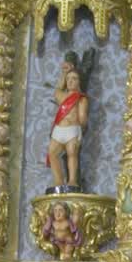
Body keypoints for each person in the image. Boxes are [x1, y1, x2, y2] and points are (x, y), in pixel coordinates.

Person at [47, 61, 89, 190]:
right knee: (52, 153)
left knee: (72, 154)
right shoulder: (61, 95)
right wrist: (64, 73)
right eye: (69, 79)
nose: (70, 81)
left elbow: (82, 118)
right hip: (59, 130)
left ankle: (72, 180)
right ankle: (58, 180)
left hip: (72, 130)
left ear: (79, 82)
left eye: (74, 79)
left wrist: (80, 130)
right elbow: (58, 90)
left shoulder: (81, 98)